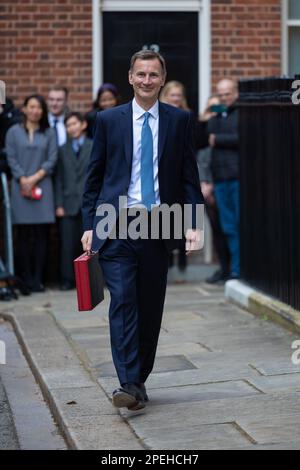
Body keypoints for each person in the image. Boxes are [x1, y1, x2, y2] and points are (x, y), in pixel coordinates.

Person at [81, 49, 204, 411]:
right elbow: (94, 178)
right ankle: (128, 383)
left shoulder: (179, 120)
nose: (147, 81)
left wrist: (193, 224)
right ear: (130, 78)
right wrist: (90, 226)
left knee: (150, 307)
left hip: (159, 223)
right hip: (115, 223)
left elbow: (188, 177)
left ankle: (138, 379)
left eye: (154, 75)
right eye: (141, 74)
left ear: (162, 79)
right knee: (123, 302)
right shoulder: (108, 120)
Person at [5, 94, 57, 292]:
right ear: (24, 109)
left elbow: (52, 159)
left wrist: (34, 178)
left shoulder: (49, 133)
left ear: (43, 112)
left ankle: (38, 279)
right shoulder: (13, 132)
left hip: (43, 188)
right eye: (31, 107)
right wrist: (23, 179)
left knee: (42, 236)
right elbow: (11, 158)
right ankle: (25, 279)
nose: (35, 111)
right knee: (24, 237)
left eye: (39, 108)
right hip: (20, 189)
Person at [55, 112, 93, 290]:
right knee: (67, 245)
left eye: (74, 124)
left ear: (83, 124)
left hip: (89, 203)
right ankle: (67, 279)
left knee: (89, 244)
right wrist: (59, 204)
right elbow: (59, 179)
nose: (71, 128)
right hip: (69, 203)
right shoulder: (62, 150)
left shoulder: (93, 146)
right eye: (68, 125)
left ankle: (89, 280)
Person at [207, 78, 240, 279]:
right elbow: (205, 136)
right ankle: (233, 269)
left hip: (238, 176)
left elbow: (244, 138)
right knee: (227, 227)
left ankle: (240, 268)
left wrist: (217, 140)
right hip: (220, 177)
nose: (224, 97)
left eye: (227, 93)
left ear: (236, 93)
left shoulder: (243, 112)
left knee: (239, 224)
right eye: (221, 94)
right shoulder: (217, 113)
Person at [197, 96, 231, 284]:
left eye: (218, 108)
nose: (214, 112)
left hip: (221, 182)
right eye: (211, 108)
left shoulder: (223, 128)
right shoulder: (204, 128)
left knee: (228, 229)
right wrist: (203, 183)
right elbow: (199, 157)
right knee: (217, 230)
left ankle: (231, 269)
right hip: (206, 184)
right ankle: (224, 268)